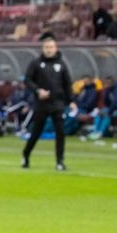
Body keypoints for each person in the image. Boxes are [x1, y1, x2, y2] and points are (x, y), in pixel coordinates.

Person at [22, 32, 75, 170]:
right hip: (41, 104)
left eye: (51, 47)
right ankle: (26, 154)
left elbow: (67, 84)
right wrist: (38, 90)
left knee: (60, 132)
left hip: (57, 103)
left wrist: (71, 101)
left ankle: (59, 161)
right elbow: (27, 80)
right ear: (42, 48)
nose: (49, 49)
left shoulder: (61, 64)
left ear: (56, 48)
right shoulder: (36, 64)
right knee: (36, 132)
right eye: (46, 47)